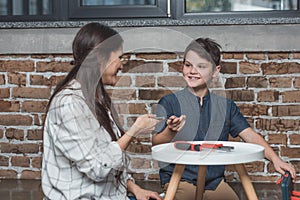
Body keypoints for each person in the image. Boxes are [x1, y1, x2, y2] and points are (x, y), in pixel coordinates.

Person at [152, 37, 296, 200]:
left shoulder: (225, 106)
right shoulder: (169, 102)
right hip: (180, 179)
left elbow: (249, 135)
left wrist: (275, 160)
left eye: (201, 66)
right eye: (188, 65)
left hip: (213, 181)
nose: (192, 71)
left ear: (215, 71)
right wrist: (171, 131)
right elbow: (156, 144)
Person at [42, 22, 163, 200]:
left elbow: (106, 156)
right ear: (100, 58)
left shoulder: (95, 98)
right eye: (118, 58)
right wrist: (133, 131)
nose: (121, 65)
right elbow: (98, 168)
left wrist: (134, 189)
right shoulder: (68, 104)